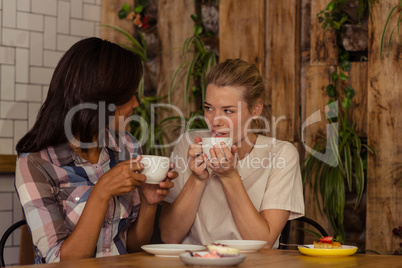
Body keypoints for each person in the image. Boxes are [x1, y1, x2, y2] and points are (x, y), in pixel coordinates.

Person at [15, 37, 177, 263]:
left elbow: (133, 246)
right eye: (127, 95)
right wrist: (101, 192)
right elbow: (59, 261)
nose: (135, 104)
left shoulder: (128, 146)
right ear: (99, 99)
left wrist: (149, 204)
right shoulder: (35, 163)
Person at [159, 59, 304, 248]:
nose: (215, 121)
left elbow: (264, 243)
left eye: (228, 111)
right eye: (209, 108)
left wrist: (229, 176)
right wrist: (198, 179)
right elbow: (169, 237)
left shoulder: (281, 154)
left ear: (256, 109)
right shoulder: (189, 144)